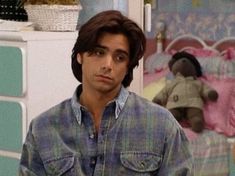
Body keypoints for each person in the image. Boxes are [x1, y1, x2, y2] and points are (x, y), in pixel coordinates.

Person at [19, 10, 193, 175]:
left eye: (119, 58)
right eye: (98, 52)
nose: (108, 65)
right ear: (80, 55)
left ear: (127, 68)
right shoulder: (43, 128)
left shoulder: (162, 126)